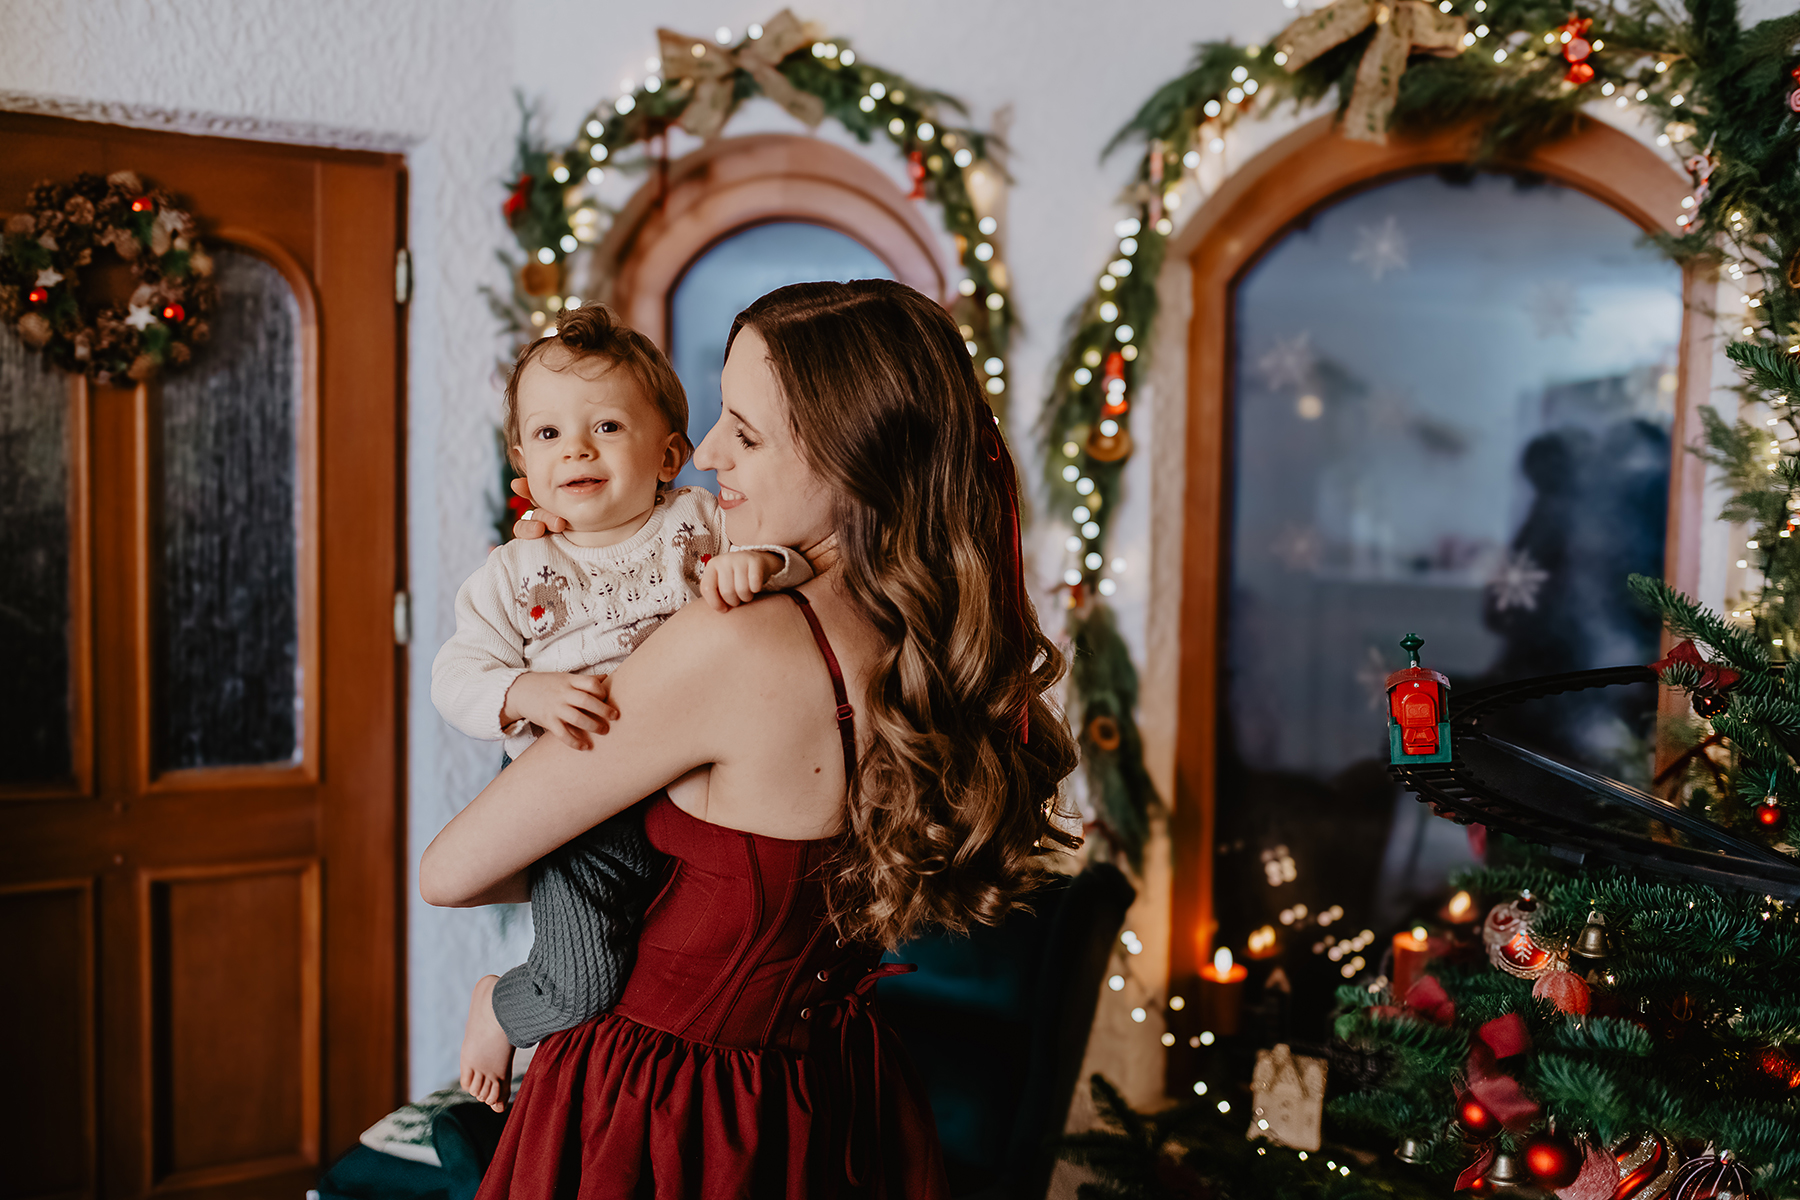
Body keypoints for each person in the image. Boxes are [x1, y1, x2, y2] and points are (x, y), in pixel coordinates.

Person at [421, 279, 1081, 1199]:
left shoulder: (736, 640)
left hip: (663, 1112)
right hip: (831, 1095)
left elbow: (450, 871)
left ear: (855, 457)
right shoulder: (925, 636)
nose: (710, 455)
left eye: (747, 430)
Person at [430, 301, 811, 1111]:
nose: (575, 447)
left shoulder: (698, 526)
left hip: (684, 801)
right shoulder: (511, 575)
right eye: (547, 434)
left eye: (606, 426)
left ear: (670, 453)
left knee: (663, 962)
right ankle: (502, 1006)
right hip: (580, 823)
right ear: (522, 470)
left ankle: (599, 1092)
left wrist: (762, 567)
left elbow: (791, 555)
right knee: (583, 984)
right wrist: (519, 690)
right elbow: (456, 675)